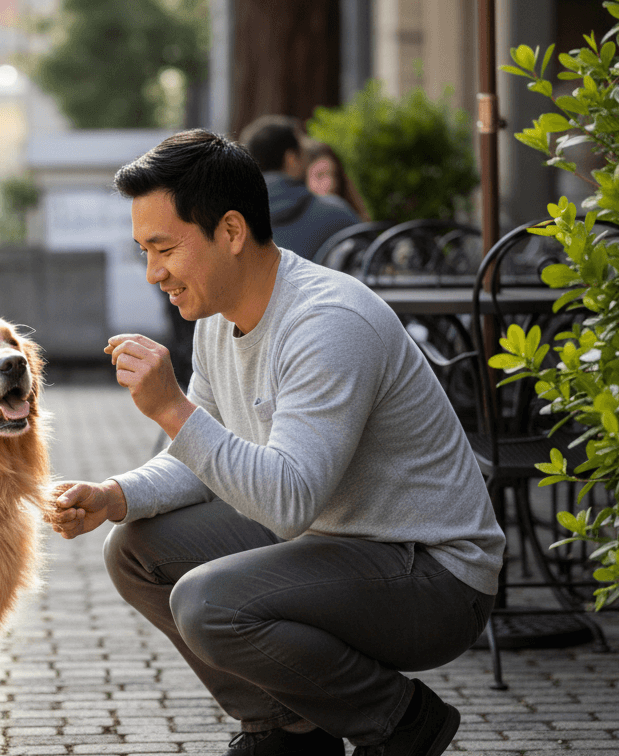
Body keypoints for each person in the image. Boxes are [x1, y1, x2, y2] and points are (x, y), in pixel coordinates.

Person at [46, 129, 503, 756]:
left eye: (164, 249)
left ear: (231, 231)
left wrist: (174, 409)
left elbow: (287, 499)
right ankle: (289, 730)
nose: (154, 274)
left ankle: (400, 721)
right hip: (334, 543)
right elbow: (206, 462)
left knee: (210, 603)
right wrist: (114, 494)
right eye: (144, 252)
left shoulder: (326, 323)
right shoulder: (216, 321)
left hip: (432, 574)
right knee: (135, 549)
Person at [237, 115, 359, 262]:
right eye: (303, 152)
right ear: (291, 159)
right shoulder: (336, 214)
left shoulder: (231, 224)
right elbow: (374, 261)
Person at [303, 140, 371, 222]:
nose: (330, 184)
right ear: (302, 179)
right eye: (320, 175)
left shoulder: (351, 217)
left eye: (334, 174)